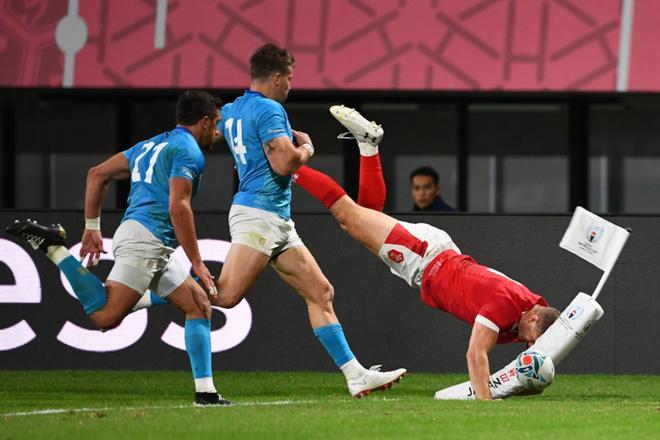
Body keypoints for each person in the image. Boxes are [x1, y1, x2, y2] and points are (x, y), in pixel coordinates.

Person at [292, 106, 561, 401]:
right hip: (423, 256)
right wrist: (486, 405)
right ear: (533, 320)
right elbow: (475, 354)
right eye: (529, 339)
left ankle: (368, 146)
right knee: (350, 218)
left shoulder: (534, 309)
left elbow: (567, 320)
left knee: (367, 215)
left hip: (434, 256)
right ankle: (291, 164)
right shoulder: (507, 307)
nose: (525, 343)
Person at [6, 91, 230, 406]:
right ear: (204, 122)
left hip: (148, 240)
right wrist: (197, 262)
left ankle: (206, 393)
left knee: (199, 305)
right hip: (145, 242)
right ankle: (55, 248)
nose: (217, 132)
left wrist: (92, 227)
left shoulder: (150, 145)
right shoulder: (189, 153)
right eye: (216, 124)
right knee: (105, 317)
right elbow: (179, 207)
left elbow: (97, 174)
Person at [211, 43, 406, 398]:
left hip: (275, 218)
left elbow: (219, 134)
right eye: (289, 78)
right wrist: (308, 149)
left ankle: (355, 375)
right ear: (275, 77)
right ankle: (149, 290)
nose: (290, 86)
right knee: (225, 297)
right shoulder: (270, 109)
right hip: (259, 215)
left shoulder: (231, 109)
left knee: (321, 292)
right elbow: (284, 164)